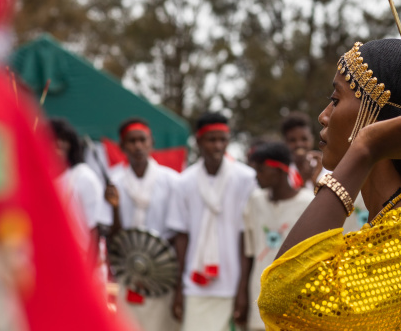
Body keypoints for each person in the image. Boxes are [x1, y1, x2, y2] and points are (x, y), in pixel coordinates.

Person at [257, 39, 401, 330]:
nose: (324, 116)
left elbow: (283, 299)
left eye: (335, 99)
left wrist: (365, 147)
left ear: (378, 116)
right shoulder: (392, 222)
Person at [166, 112, 256, 331]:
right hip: (196, 286)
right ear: (198, 141)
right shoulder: (183, 182)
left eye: (223, 140)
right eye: (211, 140)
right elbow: (181, 236)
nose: (218, 146)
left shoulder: (245, 178)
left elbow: (247, 238)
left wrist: (243, 288)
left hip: (233, 283)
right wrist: (179, 288)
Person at [101, 118, 180, 331]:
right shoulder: (114, 181)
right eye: (131, 141)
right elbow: (112, 234)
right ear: (122, 146)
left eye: (142, 140)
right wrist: (115, 208)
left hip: (163, 272)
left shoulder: (171, 180)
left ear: (151, 143)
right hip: (128, 270)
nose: (137, 146)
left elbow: (178, 231)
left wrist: (153, 254)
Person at [240, 142, 314, 331]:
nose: (256, 175)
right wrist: (241, 295)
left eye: (261, 170)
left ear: (280, 170)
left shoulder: (308, 202)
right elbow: (249, 252)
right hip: (258, 293)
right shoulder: (255, 201)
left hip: (295, 298)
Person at [51, 118, 104, 258]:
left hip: (82, 260)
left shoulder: (84, 177)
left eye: (64, 140)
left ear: (72, 145)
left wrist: (88, 273)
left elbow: (95, 232)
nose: (58, 144)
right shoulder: (38, 178)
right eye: (53, 138)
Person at [280, 112, 324, 189]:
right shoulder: (281, 171)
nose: (299, 144)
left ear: (312, 139)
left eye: (304, 139)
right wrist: (304, 179)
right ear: (285, 143)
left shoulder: (322, 166)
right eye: (292, 140)